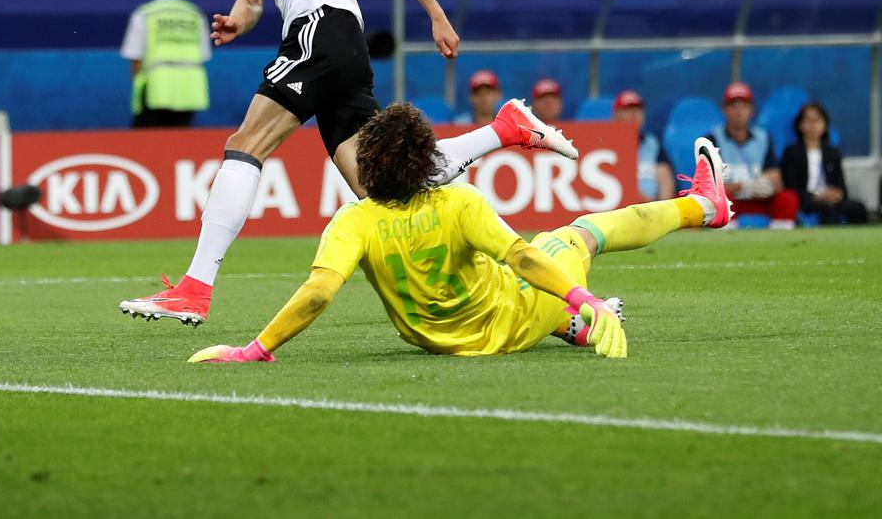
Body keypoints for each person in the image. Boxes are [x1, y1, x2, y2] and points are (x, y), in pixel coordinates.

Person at [120, 0, 577, 327]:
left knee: (244, 146)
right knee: (386, 187)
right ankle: (507, 140)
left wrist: (434, 12)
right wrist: (238, 22)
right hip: (315, 40)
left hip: (327, 29)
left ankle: (195, 289)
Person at [185, 103, 734, 363]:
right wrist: (583, 294)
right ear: (428, 158)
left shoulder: (352, 220)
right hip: (513, 319)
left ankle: (571, 324)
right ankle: (704, 207)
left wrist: (255, 349)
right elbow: (521, 258)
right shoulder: (458, 200)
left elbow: (320, 292)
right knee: (585, 232)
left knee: (497, 274)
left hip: (439, 342)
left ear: (369, 162)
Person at [120, 0, 211, 128]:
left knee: (146, 146)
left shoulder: (144, 14)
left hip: (156, 90)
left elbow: (136, 59)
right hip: (190, 90)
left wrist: (138, 92)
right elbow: (204, 55)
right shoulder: (195, 14)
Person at [706, 82, 798, 228]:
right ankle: (726, 242)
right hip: (731, 200)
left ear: (752, 110)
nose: (738, 112)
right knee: (720, 201)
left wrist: (767, 184)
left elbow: (775, 176)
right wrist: (742, 186)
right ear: (724, 110)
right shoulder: (712, 140)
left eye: (743, 106)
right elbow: (708, 186)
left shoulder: (763, 138)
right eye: (733, 106)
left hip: (757, 199)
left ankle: (781, 241)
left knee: (788, 199)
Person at [781, 102, 868, 224]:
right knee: (827, 209)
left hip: (830, 199)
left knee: (858, 208)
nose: (813, 125)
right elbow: (790, 187)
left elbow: (842, 187)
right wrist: (815, 197)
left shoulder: (833, 153)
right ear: (800, 125)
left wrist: (837, 194)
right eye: (808, 120)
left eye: (817, 120)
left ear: (825, 124)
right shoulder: (791, 152)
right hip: (807, 200)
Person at [612, 90, 674, 201]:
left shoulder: (652, 143)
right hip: (618, 211)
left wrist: (662, 209)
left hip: (651, 211)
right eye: (627, 110)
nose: (633, 115)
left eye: (637, 110)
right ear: (616, 115)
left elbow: (665, 178)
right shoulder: (607, 145)